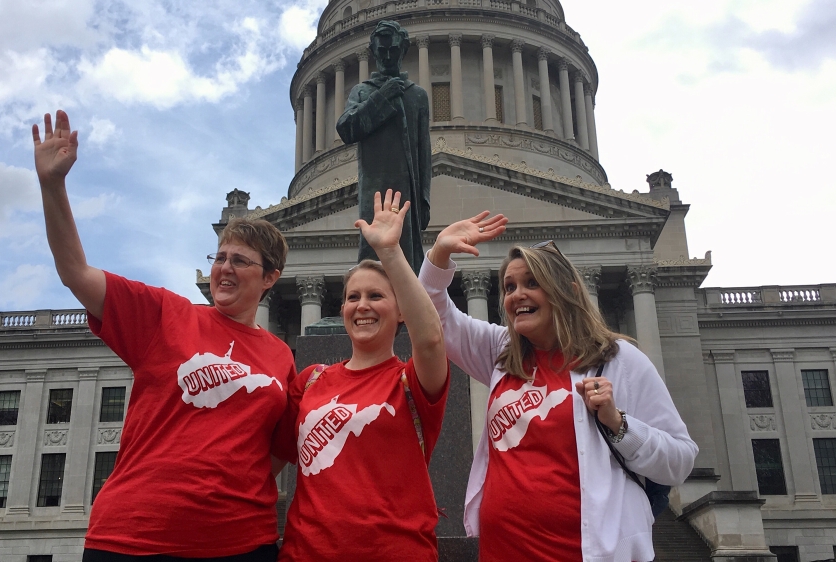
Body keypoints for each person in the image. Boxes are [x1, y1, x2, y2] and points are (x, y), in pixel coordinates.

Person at [32, 110, 295, 562]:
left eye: (240, 261)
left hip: (239, 544)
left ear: (270, 277)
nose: (224, 268)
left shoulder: (281, 357)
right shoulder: (164, 315)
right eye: (219, 257)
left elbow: (274, 453)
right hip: (135, 538)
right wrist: (52, 185)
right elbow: (75, 273)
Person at [418, 212, 698, 562]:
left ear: (567, 291)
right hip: (503, 551)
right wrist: (439, 256)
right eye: (509, 287)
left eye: (531, 283)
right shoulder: (501, 353)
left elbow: (680, 460)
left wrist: (619, 424)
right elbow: (432, 318)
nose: (517, 295)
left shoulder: (619, 359)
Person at [275, 190, 450, 562]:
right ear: (342, 310)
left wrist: (389, 251)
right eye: (353, 298)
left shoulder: (411, 382)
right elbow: (271, 461)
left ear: (401, 310)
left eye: (376, 296)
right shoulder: (310, 380)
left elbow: (432, 341)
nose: (363, 306)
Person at [336, 20, 431, 275]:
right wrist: (382, 97)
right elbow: (346, 128)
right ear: (374, 52)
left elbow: (424, 152)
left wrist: (424, 198)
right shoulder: (363, 91)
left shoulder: (417, 95)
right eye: (382, 51)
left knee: (409, 261)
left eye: (393, 50)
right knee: (372, 259)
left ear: (403, 50)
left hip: (406, 186)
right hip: (374, 188)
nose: (388, 56)